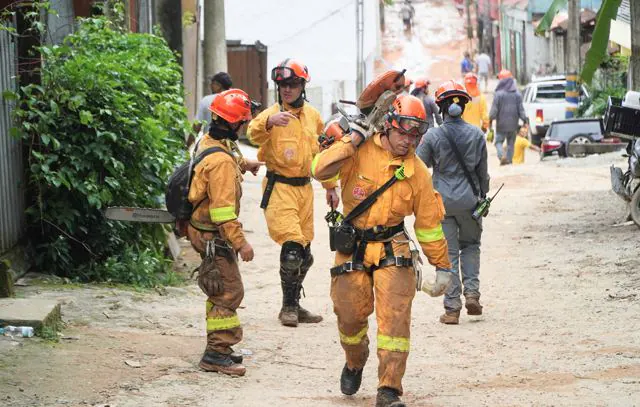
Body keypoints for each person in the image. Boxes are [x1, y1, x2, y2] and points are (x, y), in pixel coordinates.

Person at [312, 91, 453, 407]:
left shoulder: (417, 171)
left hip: (394, 246)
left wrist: (442, 266)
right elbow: (319, 170)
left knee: (395, 321)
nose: (409, 140)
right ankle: (354, 360)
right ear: (388, 125)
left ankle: (389, 389)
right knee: (349, 315)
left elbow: (429, 224)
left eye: (416, 134)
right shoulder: (358, 151)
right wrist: (351, 140)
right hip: (354, 248)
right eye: (404, 131)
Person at [247, 58, 339, 327]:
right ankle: (287, 307)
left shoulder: (313, 117)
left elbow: (324, 155)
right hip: (280, 188)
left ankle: (295, 304)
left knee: (305, 254)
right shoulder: (271, 114)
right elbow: (252, 134)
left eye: (292, 84)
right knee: (292, 249)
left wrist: (331, 187)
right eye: (282, 85)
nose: (287, 89)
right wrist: (268, 123)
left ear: (302, 85)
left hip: (304, 191)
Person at [187, 89, 264, 376]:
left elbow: (227, 154)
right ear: (234, 124)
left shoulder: (211, 140)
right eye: (242, 122)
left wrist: (246, 164)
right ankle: (215, 354)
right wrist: (241, 243)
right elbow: (222, 213)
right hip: (212, 234)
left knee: (218, 287)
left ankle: (221, 346)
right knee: (230, 291)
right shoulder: (220, 164)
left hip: (204, 228)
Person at [416, 80, 490, 325]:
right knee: (470, 246)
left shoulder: (432, 136)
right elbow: (483, 174)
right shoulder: (477, 135)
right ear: (463, 106)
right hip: (470, 201)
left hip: (442, 202)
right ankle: (472, 294)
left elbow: (418, 167)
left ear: (441, 107)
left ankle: (452, 309)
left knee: (449, 255)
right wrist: (483, 197)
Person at [489, 69, 528, 165]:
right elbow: (521, 110)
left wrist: (490, 120)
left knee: (498, 142)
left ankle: (501, 155)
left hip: (501, 125)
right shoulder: (517, 94)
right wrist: (525, 120)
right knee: (511, 144)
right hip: (513, 125)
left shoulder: (498, 95)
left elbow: (494, 111)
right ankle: (509, 161)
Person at [190, 72, 234, 146]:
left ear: (219, 86)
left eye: (212, 83)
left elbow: (196, 126)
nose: (210, 86)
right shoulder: (234, 101)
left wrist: (187, 146)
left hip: (209, 145)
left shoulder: (206, 100)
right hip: (229, 146)